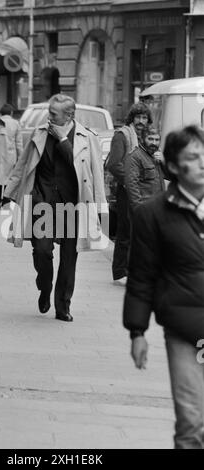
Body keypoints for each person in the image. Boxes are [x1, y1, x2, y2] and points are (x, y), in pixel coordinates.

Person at [123, 125, 204, 449]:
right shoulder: (152, 215)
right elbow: (142, 276)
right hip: (184, 332)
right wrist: (137, 332)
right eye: (193, 158)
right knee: (191, 423)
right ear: (172, 166)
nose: (202, 164)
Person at [3, 94, 107, 322]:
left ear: (69, 115)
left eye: (53, 113)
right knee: (41, 251)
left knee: (69, 258)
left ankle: (63, 306)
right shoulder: (39, 133)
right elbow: (24, 166)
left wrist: (100, 208)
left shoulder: (87, 138)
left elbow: (95, 174)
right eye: (49, 111)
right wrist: (9, 192)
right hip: (43, 202)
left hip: (73, 205)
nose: (48, 116)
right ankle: (45, 287)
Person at [106, 102, 152, 286]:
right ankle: (120, 272)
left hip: (145, 191)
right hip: (127, 190)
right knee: (125, 231)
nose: (141, 121)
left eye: (144, 118)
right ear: (132, 118)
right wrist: (133, 181)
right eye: (138, 117)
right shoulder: (122, 135)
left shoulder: (148, 138)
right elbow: (114, 164)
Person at [124, 125, 165, 214]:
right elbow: (131, 186)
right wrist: (139, 211)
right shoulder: (135, 157)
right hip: (144, 211)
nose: (154, 143)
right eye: (150, 139)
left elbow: (171, 176)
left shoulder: (156, 155)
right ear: (142, 139)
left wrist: (164, 161)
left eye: (157, 140)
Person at [0, 104, 23, 208]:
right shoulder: (15, 124)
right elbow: (19, 143)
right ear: (11, 113)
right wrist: (21, 158)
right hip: (10, 155)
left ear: (1, 113)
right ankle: (5, 201)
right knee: (9, 179)